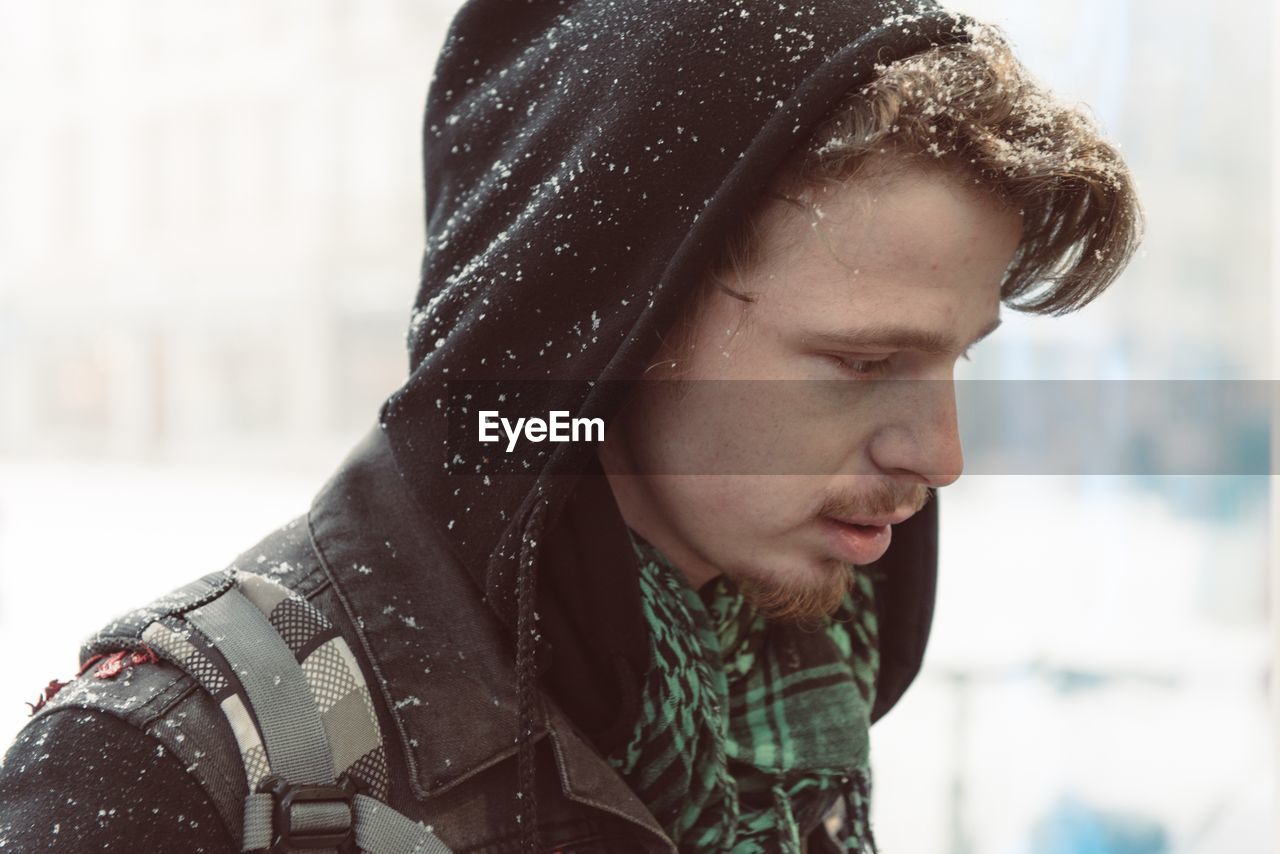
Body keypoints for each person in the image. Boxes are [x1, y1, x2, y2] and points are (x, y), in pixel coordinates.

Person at [0, 1, 1142, 852]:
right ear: (610, 329)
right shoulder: (174, 761)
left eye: (954, 359)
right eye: (859, 361)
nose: (936, 453)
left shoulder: (784, 680)